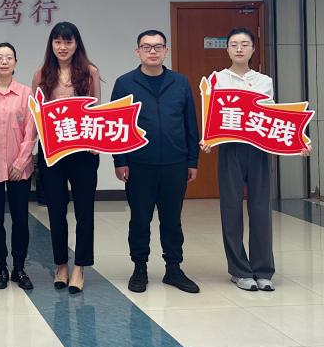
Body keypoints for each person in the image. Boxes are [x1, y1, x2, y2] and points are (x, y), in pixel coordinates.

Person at [111, 29, 200, 295]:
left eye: (158, 47)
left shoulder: (180, 82)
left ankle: (174, 269)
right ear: (137, 51)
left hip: (175, 163)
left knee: (172, 220)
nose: (152, 51)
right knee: (140, 219)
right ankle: (140, 269)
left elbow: (190, 123)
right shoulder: (125, 83)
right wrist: (119, 160)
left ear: (166, 51)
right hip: (139, 164)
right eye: (147, 47)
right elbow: (117, 124)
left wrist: (192, 160)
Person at [205, 28, 278, 292]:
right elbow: (211, 113)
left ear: (253, 49)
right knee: (231, 209)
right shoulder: (216, 79)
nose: (239, 49)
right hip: (230, 149)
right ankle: (239, 270)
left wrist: (298, 141)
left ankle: (263, 270)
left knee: (260, 210)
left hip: (258, 149)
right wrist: (209, 138)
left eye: (245, 44)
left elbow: (272, 115)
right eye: (234, 44)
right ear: (227, 49)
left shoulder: (264, 81)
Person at [31, 21, 100, 295]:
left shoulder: (90, 71)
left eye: (68, 42)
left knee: (84, 211)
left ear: (76, 44)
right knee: (56, 211)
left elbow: (96, 110)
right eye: (58, 41)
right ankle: (61, 264)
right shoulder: (41, 74)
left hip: (83, 151)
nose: (63, 47)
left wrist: (95, 141)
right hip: (52, 152)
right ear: (51, 44)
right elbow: (36, 114)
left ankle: (80, 266)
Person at [0, 42, 36, 291]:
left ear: (15, 62)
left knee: (21, 220)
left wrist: (20, 162)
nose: (4, 61)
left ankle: (19, 268)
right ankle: (1, 267)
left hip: (18, 169)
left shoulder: (25, 93)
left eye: (9, 57)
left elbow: (31, 132)